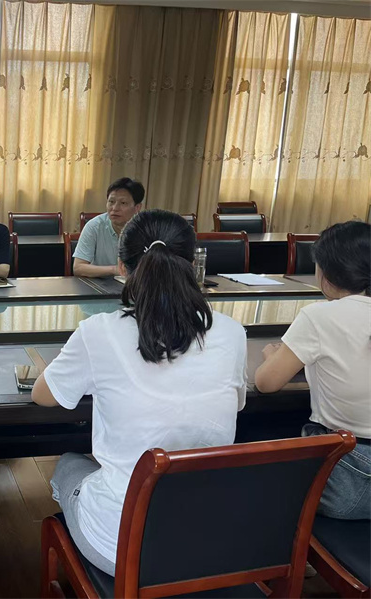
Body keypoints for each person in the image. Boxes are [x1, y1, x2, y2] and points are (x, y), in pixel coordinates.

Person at [32, 210, 247, 574]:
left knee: (69, 463)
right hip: (209, 541)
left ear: (122, 267)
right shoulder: (231, 332)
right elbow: (237, 405)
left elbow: (43, 395)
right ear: (193, 264)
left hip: (123, 550)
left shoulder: (99, 331)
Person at [255, 221, 370, 520]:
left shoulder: (319, 316)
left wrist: (272, 356)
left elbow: (266, 383)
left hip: (350, 481)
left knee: (256, 464)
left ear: (325, 274)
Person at [73, 178, 144, 278]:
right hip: (100, 285)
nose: (115, 208)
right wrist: (114, 270)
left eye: (123, 203)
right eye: (111, 202)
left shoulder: (146, 230)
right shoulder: (94, 226)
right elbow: (78, 268)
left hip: (135, 285)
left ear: (137, 208)